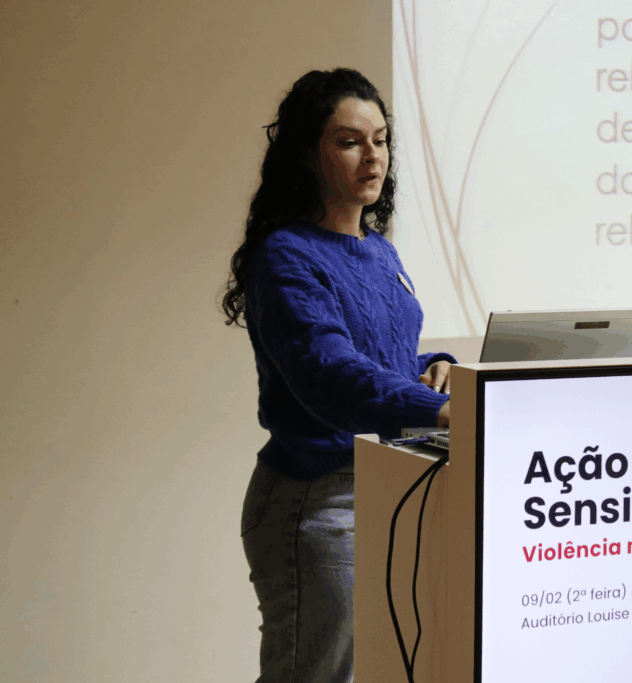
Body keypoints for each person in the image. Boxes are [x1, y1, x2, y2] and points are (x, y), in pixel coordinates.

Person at [221, 68, 454, 683]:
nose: (372, 156)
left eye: (380, 140)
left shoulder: (380, 250)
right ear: (307, 153)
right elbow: (329, 372)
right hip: (319, 501)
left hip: (390, 486)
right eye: (350, 142)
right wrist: (434, 411)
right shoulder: (285, 255)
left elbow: (382, 359)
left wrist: (436, 372)